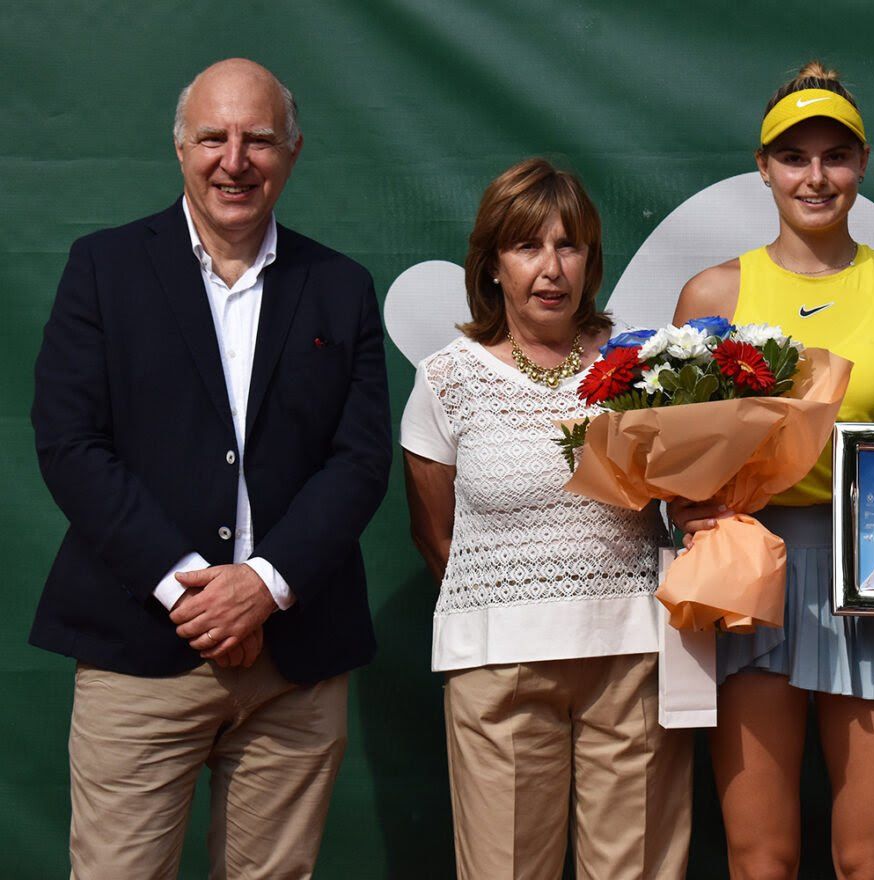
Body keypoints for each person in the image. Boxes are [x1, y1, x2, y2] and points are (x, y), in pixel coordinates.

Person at [29, 58, 391, 878]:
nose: (235, 159)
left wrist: (265, 583)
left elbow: (360, 459)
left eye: (258, 139)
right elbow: (69, 443)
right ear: (180, 150)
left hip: (294, 664)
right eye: (213, 138)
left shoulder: (340, 287)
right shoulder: (103, 269)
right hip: (139, 650)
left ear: (293, 151)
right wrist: (191, 584)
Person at [670, 62, 874, 880]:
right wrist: (683, 511)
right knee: (762, 857)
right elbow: (684, 463)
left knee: (872, 858)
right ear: (762, 167)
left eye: (835, 155)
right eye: (794, 157)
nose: (816, 175)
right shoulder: (712, 293)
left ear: (862, 163)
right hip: (751, 575)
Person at [400, 158, 691, 880]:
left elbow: (689, 496)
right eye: (528, 246)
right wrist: (514, 609)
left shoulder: (642, 367)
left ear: (591, 260)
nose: (550, 268)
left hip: (634, 663)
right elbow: (433, 533)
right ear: (493, 264)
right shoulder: (447, 378)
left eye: (570, 246)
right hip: (499, 672)